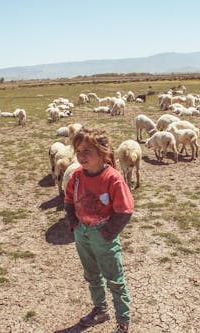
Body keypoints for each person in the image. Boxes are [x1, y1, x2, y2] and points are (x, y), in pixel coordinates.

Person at [64, 127, 134, 333]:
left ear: (102, 152)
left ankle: (123, 321)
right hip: (82, 232)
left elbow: (125, 209)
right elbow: (68, 200)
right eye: (78, 151)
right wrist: (74, 223)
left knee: (114, 279)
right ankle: (101, 309)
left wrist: (107, 233)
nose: (81, 156)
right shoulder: (76, 176)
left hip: (103, 234)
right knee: (92, 274)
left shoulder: (112, 178)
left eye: (87, 151)